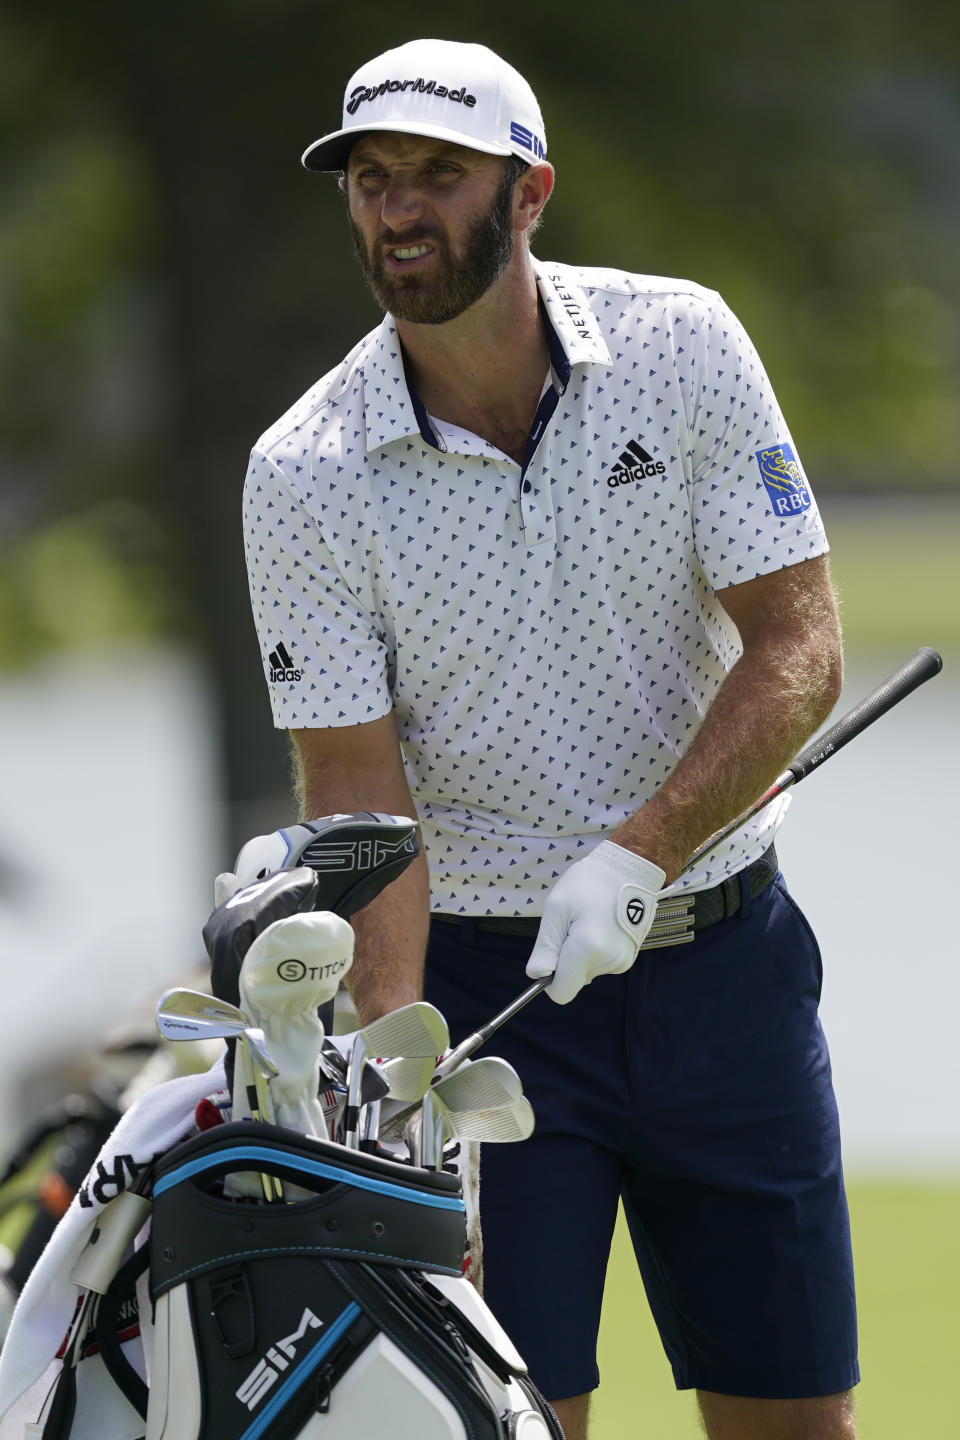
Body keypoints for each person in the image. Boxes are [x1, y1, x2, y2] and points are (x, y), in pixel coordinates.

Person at [240, 37, 857, 1440]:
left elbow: (800, 644)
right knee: (507, 1420)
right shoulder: (305, 473)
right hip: (484, 1003)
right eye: (373, 178)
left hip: (727, 969)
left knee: (795, 1421)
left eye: (440, 177)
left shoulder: (681, 347)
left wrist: (643, 851)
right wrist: (402, 1103)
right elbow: (357, 802)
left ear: (530, 194)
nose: (399, 210)